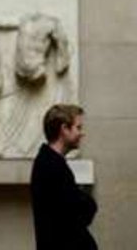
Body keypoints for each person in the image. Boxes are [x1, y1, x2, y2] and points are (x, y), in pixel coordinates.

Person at [30, 104, 97, 249]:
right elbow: (80, 214)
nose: (82, 133)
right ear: (64, 129)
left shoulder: (50, 162)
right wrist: (87, 201)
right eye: (78, 128)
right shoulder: (51, 166)